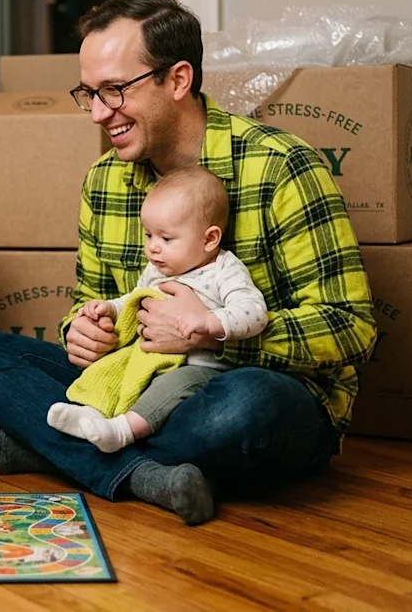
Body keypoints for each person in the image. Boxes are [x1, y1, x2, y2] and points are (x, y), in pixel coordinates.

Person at [0, 0, 377, 525]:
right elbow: (90, 302)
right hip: (133, 379)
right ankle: (143, 474)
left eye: (114, 90)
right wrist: (83, 331)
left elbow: (351, 328)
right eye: (89, 93)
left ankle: (53, 451)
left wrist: (209, 333)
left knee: (240, 410)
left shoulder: (280, 166)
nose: (99, 113)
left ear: (177, 79)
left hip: (242, 388)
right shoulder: (104, 181)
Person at [47, 166, 268, 453]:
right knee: (110, 371)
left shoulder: (223, 270)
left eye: (166, 239)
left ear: (209, 239)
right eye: (148, 235)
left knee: (174, 388)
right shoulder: (156, 270)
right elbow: (133, 300)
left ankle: (122, 432)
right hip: (148, 360)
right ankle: (92, 413)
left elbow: (253, 311)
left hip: (199, 369)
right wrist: (109, 309)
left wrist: (209, 323)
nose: (153, 248)